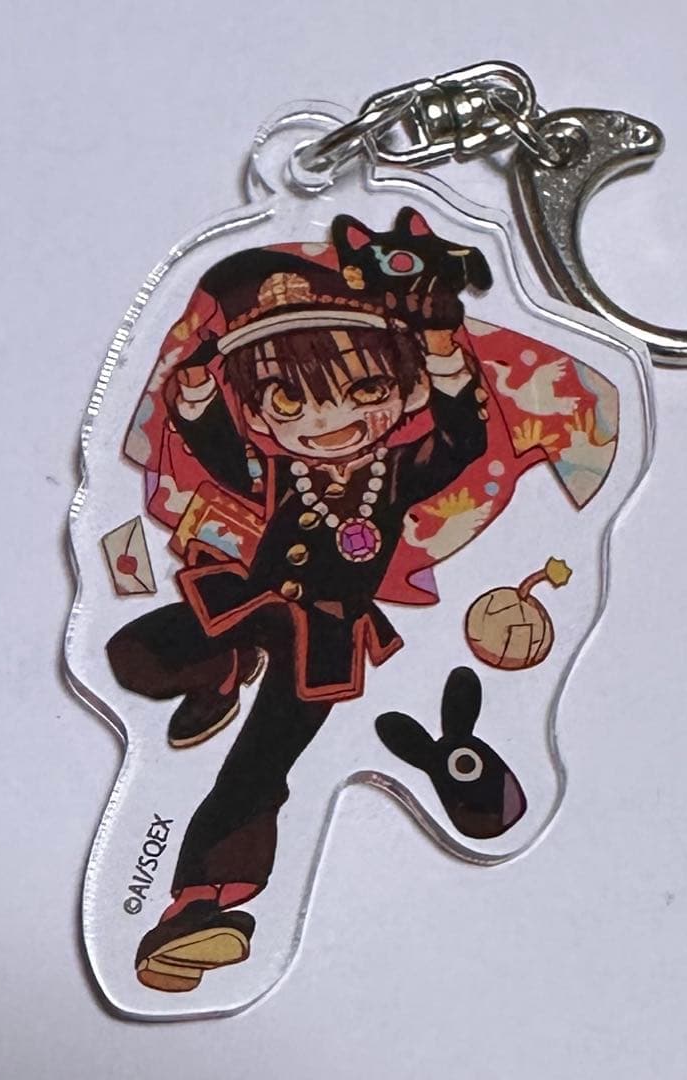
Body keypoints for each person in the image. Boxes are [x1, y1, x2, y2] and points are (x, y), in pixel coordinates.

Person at [106, 249, 489, 992]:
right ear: (257, 412)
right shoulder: (278, 471)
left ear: (408, 390)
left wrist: (443, 345)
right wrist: (196, 385)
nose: (329, 421)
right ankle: (219, 671)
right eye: (289, 402)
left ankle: (200, 906)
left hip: (327, 640)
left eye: (364, 391)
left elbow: (463, 440)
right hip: (252, 608)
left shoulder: (398, 472)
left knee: (261, 765)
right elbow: (219, 449)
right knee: (137, 652)